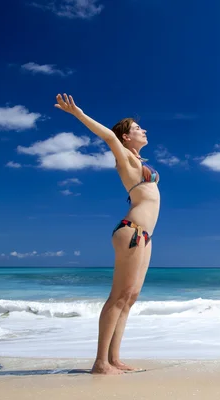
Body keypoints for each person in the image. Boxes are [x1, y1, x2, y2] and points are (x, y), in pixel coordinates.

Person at [54, 94, 160, 375]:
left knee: (130, 297)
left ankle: (114, 359)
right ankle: (100, 362)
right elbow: (108, 137)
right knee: (118, 295)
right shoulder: (124, 156)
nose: (143, 130)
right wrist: (78, 113)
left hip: (145, 236)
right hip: (132, 231)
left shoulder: (138, 159)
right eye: (137, 128)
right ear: (126, 137)